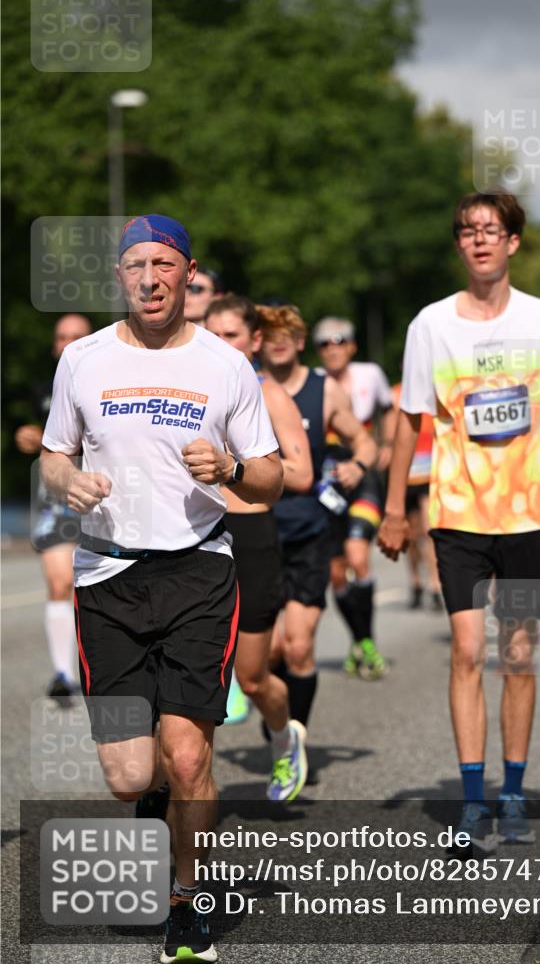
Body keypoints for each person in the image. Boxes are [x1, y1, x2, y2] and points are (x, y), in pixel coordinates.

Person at [40, 215, 283, 964]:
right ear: (120, 275)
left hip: (197, 572)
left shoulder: (225, 365)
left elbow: (271, 478)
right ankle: (152, 799)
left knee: (186, 757)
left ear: (188, 273)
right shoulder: (82, 359)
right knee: (129, 776)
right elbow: (53, 453)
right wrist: (67, 481)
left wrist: (232, 470)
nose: (150, 279)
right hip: (107, 577)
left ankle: (187, 901)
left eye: (165, 265)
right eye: (136, 265)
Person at [378, 191, 540, 852]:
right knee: (468, 650)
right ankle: (472, 801)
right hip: (458, 512)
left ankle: (513, 792)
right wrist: (392, 509)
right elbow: (408, 420)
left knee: (517, 654)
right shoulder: (431, 324)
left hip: (529, 513)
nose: (479, 240)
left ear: (512, 242)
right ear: (458, 244)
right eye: (468, 231)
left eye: (491, 230)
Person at [257, 304, 377, 768]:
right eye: (270, 335)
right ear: (257, 341)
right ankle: (277, 721)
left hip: (309, 531)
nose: (278, 342)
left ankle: (292, 746)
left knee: (299, 645)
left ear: (301, 342)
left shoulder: (323, 389)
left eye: (287, 334)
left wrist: (358, 465)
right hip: (258, 531)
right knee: (267, 652)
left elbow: (364, 440)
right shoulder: (243, 386)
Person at [205, 294, 313, 801]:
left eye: (231, 335)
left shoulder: (269, 394)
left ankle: (284, 737)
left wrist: (238, 466)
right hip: (195, 537)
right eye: (212, 334)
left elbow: (303, 472)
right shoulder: (188, 389)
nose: (220, 344)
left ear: (255, 341)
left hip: (251, 536)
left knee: (251, 678)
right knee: (188, 675)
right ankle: (176, 784)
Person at [15, 312, 92, 703]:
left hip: (104, 496)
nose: (68, 344)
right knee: (60, 582)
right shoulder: (43, 390)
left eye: (77, 336)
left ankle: (105, 667)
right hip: (56, 500)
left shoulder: (112, 384)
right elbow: (41, 437)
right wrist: (28, 436)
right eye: (62, 337)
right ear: (54, 346)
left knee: (100, 587)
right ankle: (63, 673)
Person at [313, 317, 395, 679]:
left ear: (352, 346)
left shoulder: (370, 374)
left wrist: (387, 443)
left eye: (339, 341)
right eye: (324, 343)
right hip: (328, 481)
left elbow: (389, 409)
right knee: (336, 572)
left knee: (358, 557)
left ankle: (367, 642)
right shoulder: (314, 382)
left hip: (363, 474)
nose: (332, 348)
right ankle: (360, 639)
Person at [391, 381, 442, 611]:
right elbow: (390, 429)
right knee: (410, 535)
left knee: (429, 530)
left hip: (429, 470)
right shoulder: (395, 394)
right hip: (406, 473)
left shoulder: (436, 388)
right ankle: (416, 582)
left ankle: (435, 585)